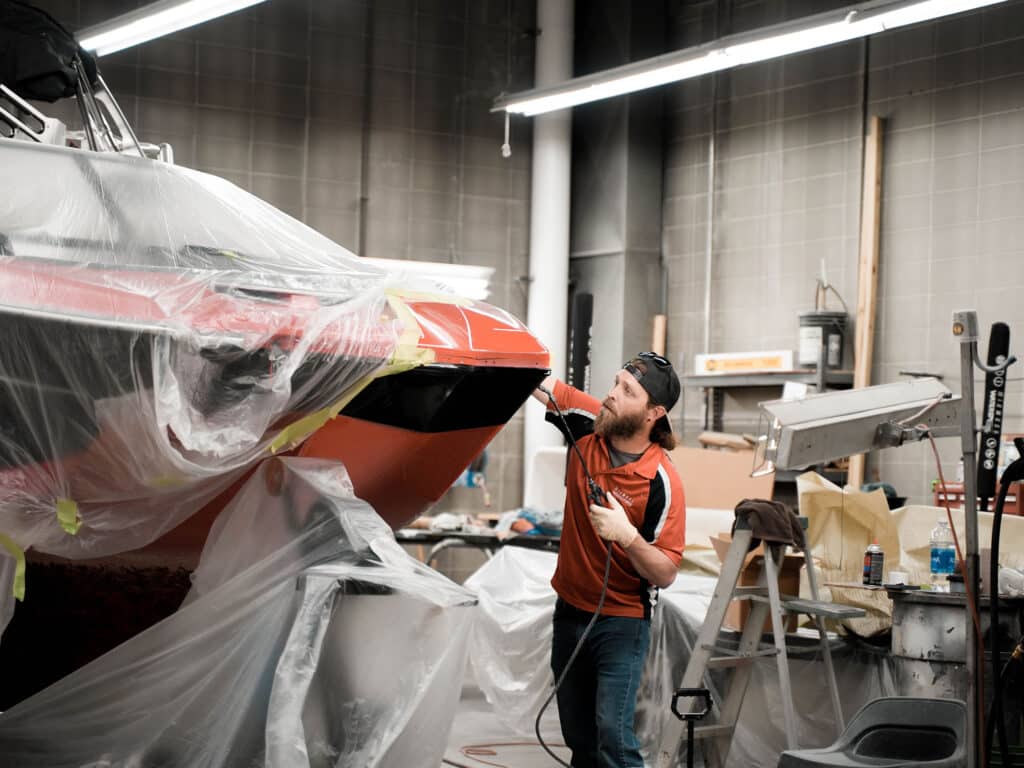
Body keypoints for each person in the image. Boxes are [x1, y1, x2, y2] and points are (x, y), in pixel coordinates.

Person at [532, 353, 686, 768]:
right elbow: (535, 379)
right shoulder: (587, 421)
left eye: (627, 391)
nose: (612, 395)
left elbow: (666, 572)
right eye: (616, 383)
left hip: (622, 621)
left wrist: (629, 537)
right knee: (578, 737)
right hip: (569, 611)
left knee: (613, 739)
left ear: (654, 413)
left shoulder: (661, 480)